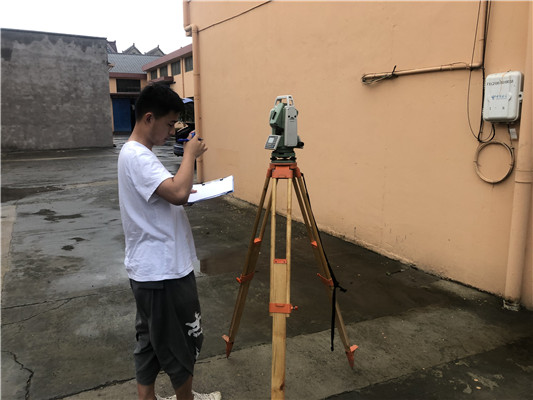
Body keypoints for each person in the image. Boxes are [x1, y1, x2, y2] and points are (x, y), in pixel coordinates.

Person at [117, 83, 221, 400]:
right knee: (182, 342)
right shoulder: (138, 156)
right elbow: (176, 193)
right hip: (163, 272)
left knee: (150, 341)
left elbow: (168, 191)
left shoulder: (135, 154)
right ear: (149, 118)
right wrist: (190, 155)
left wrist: (184, 189)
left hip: (150, 270)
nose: (173, 130)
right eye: (170, 123)